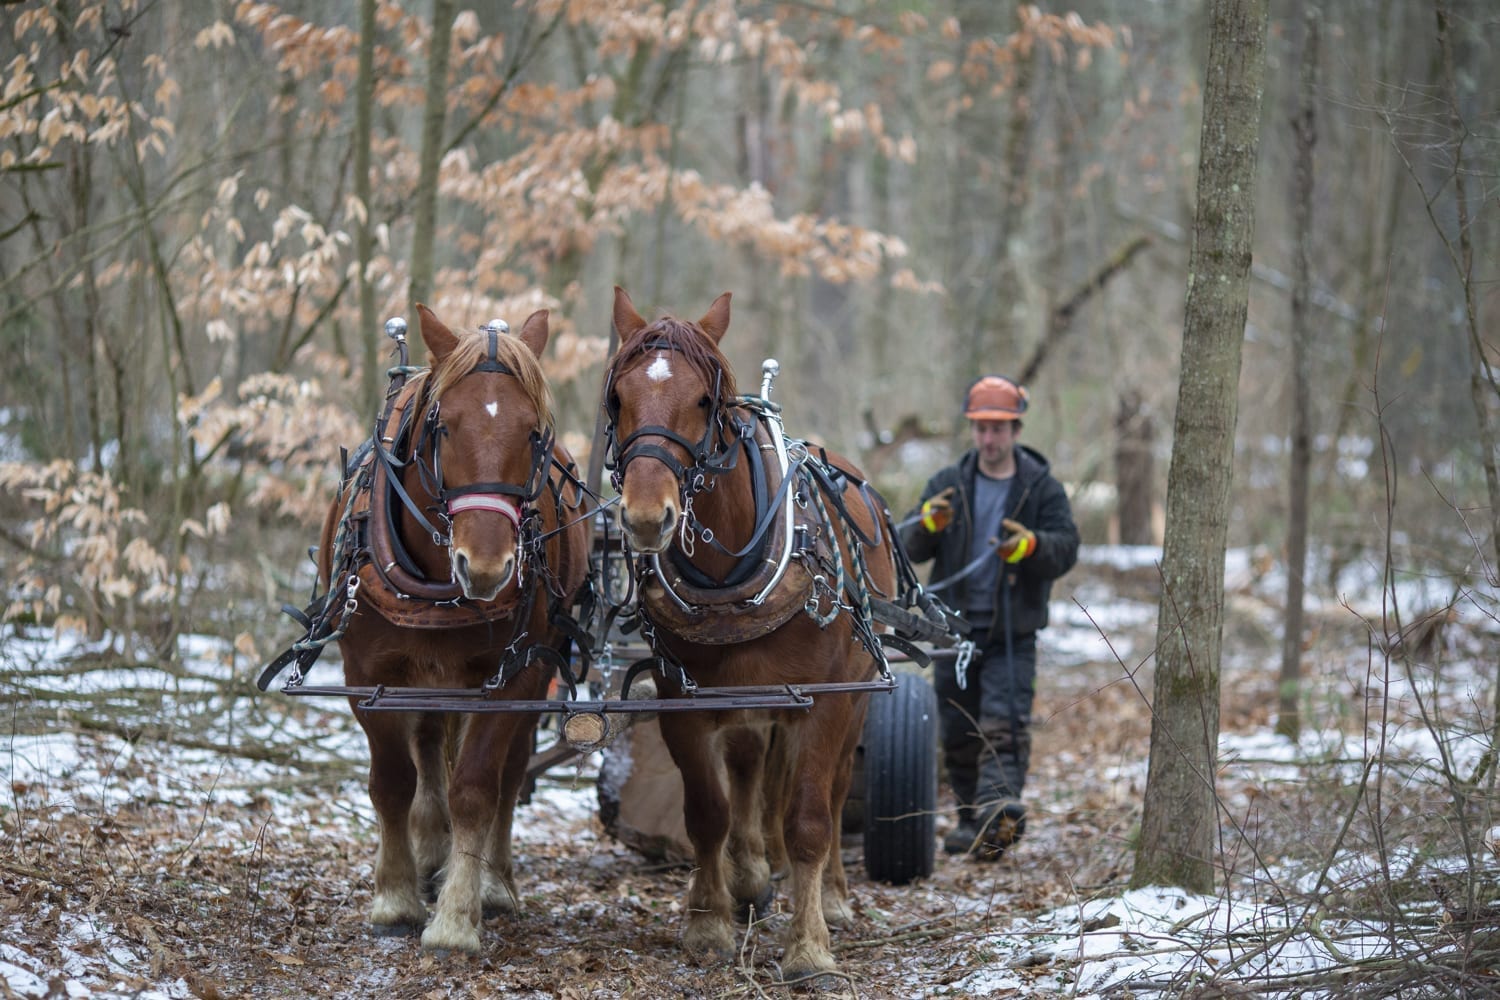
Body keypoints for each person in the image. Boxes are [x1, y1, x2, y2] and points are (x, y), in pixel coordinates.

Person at [900, 374, 1079, 860]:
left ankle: (999, 811)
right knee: (958, 731)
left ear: (1016, 430)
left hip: (1011, 632)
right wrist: (927, 525)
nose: (989, 438)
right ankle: (968, 821)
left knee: (1003, 723)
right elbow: (905, 547)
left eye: (999, 428)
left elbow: (1066, 548)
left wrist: (1031, 546)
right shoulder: (948, 485)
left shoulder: (1039, 487)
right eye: (981, 428)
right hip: (954, 631)